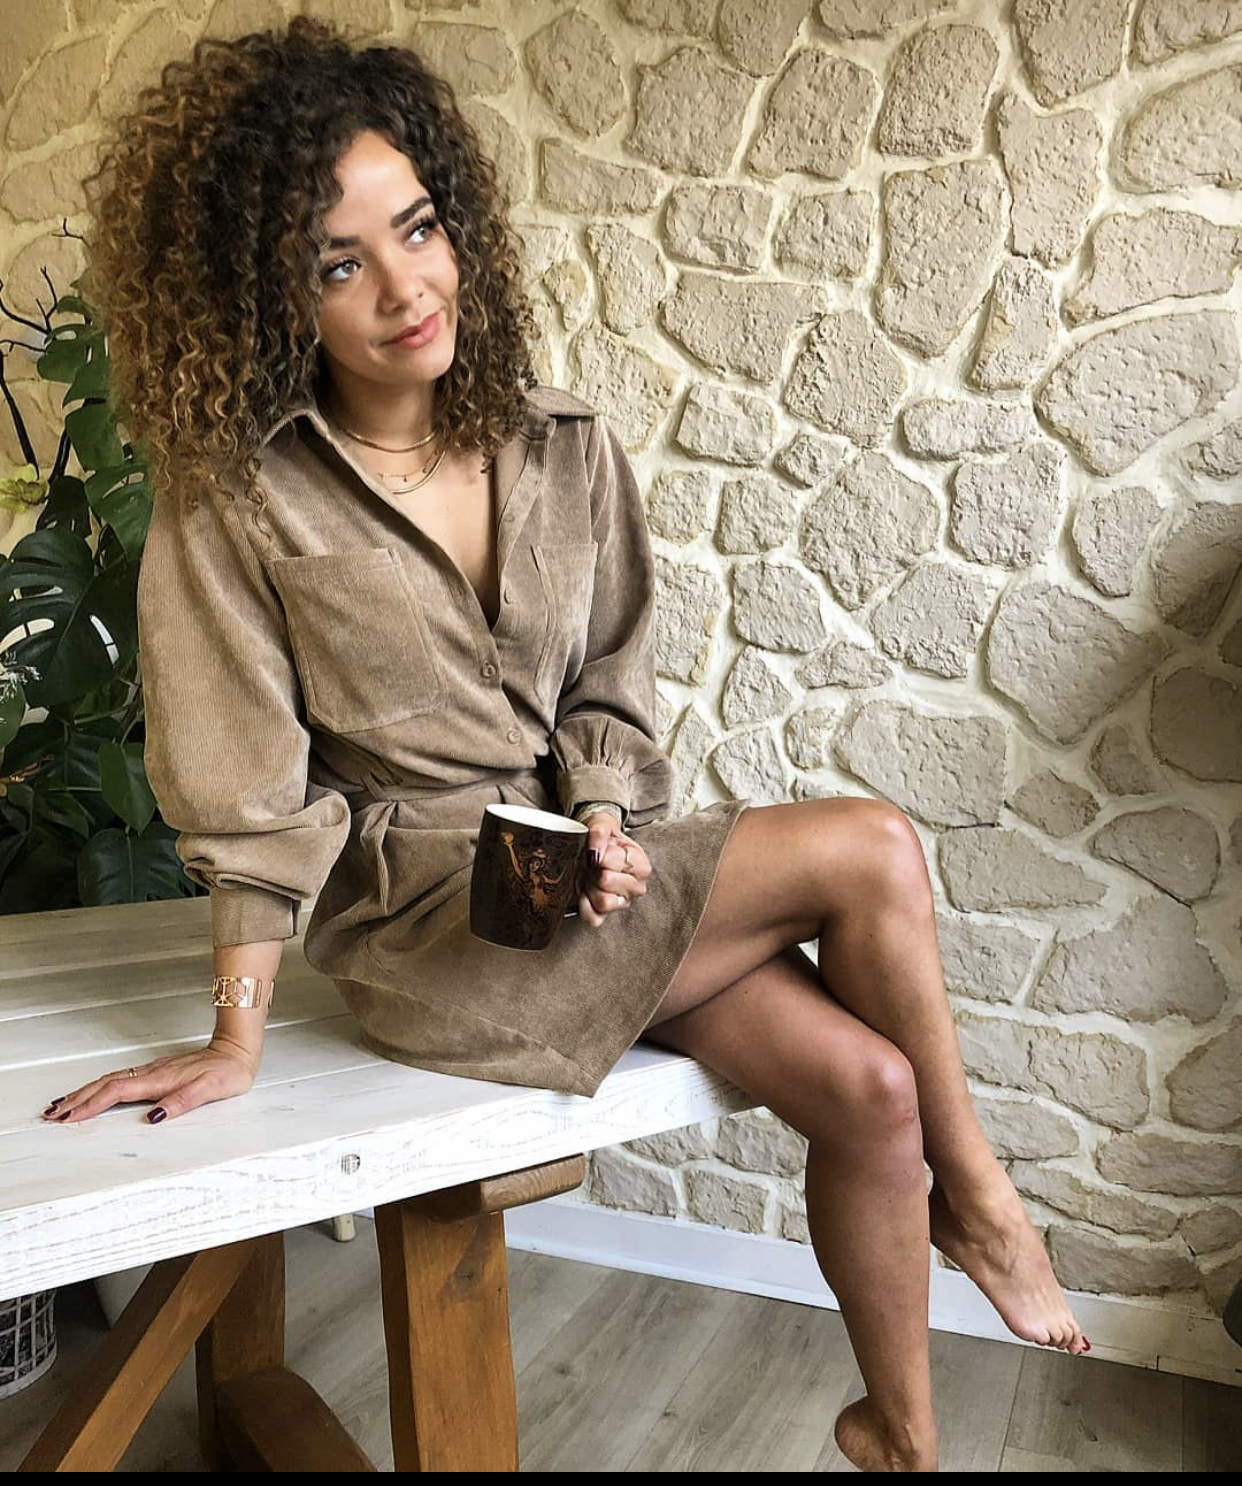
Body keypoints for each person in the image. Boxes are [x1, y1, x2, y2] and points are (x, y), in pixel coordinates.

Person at [39, 17, 1088, 1472]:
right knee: (869, 847)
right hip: (433, 923)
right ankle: (979, 1202)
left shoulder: (562, 439)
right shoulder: (240, 497)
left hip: (572, 886)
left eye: (416, 227)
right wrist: (234, 1035)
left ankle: (897, 1438)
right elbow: (247, 796)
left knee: (872, 1089)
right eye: (337, 263)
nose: (404, 286)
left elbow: (607, 682)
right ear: (267, 298)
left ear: (455, 221)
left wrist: (601, 819)